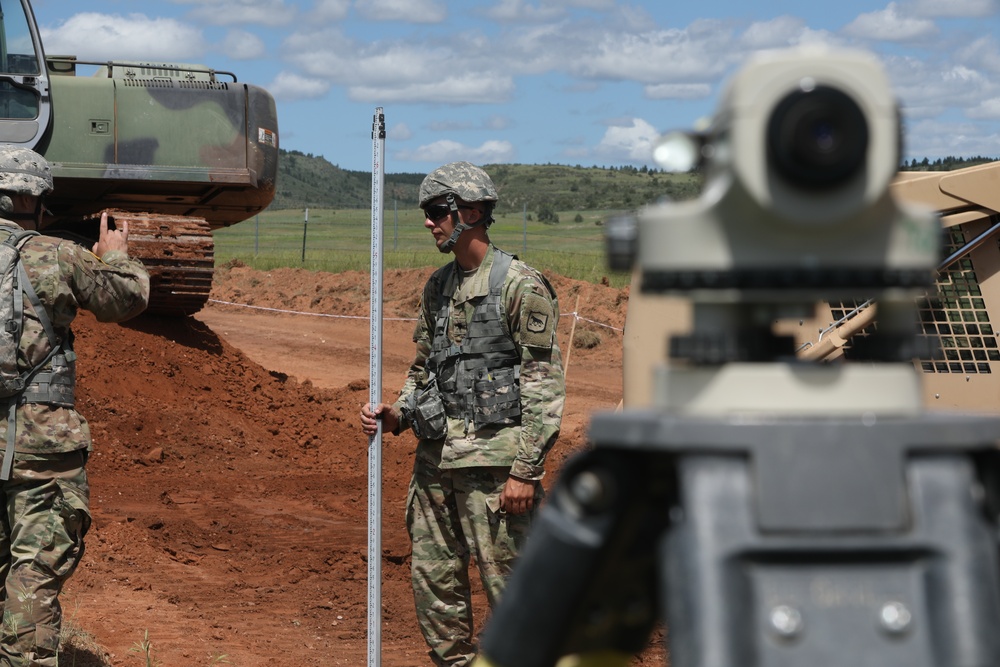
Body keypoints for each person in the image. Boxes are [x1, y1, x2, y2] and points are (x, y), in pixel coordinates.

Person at [361, 161, 565, 666]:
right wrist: (397, 414)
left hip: (497, 474)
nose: (428, 223)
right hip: (435, 465)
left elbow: (544, 386)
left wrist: (525, 470)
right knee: (437, 592)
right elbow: (424, 367)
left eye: (436, 212)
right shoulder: (437, 287)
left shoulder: (521, 285)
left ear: (469, 213)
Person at [0, 146, 150, 666]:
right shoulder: (57, 255)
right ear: (34, 200)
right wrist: (115, 253)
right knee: (34, 567)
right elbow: (125, 299)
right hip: (42, 443)